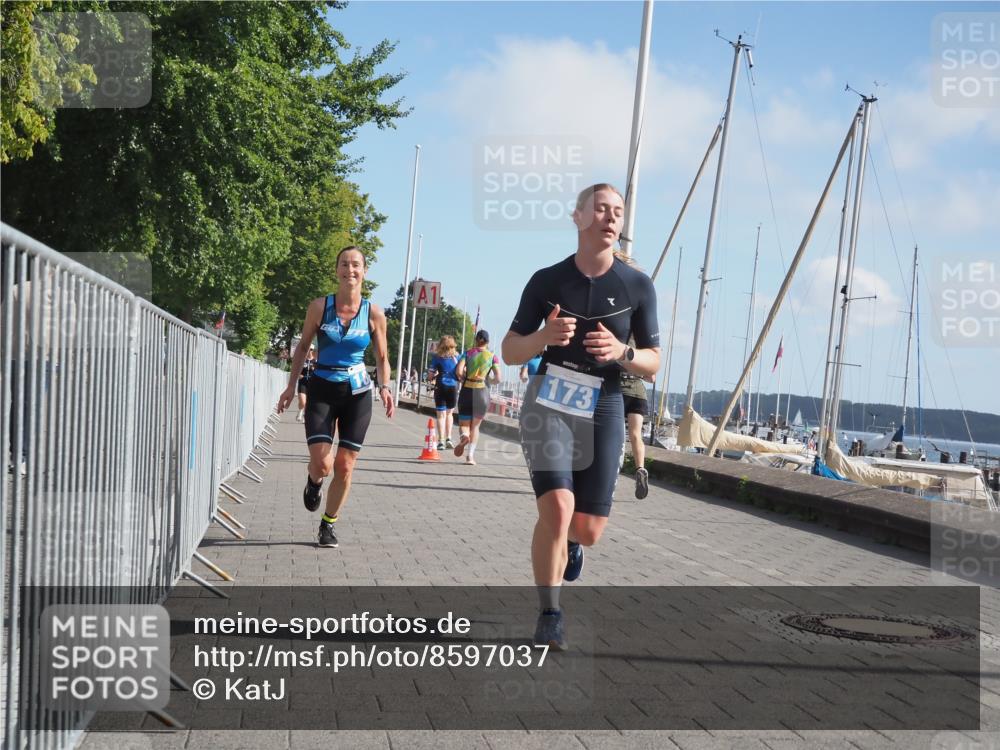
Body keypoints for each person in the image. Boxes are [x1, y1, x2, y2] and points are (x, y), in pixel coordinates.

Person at [502, 183, 660, 650]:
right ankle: (550, 613)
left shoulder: (637, 286)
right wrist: (544, 337)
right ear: (578, 217)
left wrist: (622, 351)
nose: (611, 218)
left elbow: (652, 362)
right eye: (601, 209)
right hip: (549, 400)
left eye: (618, 212)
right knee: (556, 507)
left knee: (587, 530)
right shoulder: (547, 280)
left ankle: (571, 543)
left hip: (604, 403)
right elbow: (510, 351)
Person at [277, 246, 395, 549]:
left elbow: (382, 356)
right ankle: (314, 482)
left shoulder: (374, 313)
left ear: (364, 271)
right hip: (322, 390)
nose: (349, 270)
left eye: (356, 265)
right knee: (322, 464)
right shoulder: (319, 307)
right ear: (336, 270)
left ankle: (328, 524)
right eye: (344, 264)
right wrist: (291, 387)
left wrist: (385, 387)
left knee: (344, 465)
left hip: (358, 394)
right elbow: (303, 347)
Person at [453, 330, 500, 466]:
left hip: (467, 391)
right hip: (482, 393)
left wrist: (463, 378)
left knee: (464, 424)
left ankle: (464, 436)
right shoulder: (492, 357)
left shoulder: (467, 353)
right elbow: (498, 378)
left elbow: (458, 371)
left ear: (476, 340)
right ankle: (470, 456)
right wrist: (489, 381)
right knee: (475, 426)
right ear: (487, 342)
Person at [620, 362, 651, 499]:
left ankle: (612, 470)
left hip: (619, 392)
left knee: (615, 434)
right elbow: (652, 377)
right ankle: (640, 468)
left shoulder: (620, 349)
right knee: (636, 435)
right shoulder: (643, 352)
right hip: (638, 394)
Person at [428, 335, 460, 449]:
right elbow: (461, 372)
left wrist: (432, 377)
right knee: (449, 414)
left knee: (441, 415)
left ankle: (441, 441)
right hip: (453, 387)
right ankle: (449, 439)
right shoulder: (457, 357)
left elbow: (430, 375)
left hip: (440, 386)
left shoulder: (437, 357)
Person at [295, 345, 317, 422]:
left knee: (308, 402)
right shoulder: (302, 360)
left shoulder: (316, 361)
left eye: (311, 349)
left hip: (312, 383)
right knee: (303, 402)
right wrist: (299, 375)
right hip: (302, 382)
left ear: (313, 351)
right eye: (308, 349)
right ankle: (300, 410)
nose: (309, 351)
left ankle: (304, 415)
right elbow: (296, 369)